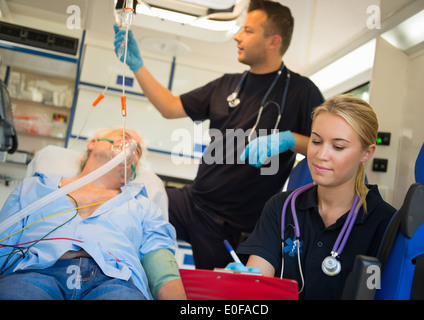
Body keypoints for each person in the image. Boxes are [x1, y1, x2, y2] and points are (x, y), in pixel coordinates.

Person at [114, 0, 324, 269]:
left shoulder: (301, 91)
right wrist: (137, 65)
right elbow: (169, 107)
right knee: (128, 201)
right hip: (192, 202)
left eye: (248, 30)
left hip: (234, 227)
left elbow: (324, 145)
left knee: (218, 295)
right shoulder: (227, 83)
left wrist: (289, 139)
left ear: (273, 42)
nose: (237, 36)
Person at [230, 94, 397, 299]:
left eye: (338, 147)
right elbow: (257, 284)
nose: (321, 154)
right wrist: (245, 285)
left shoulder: (385, 224)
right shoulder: (281, 208)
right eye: (316, 141)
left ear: (367, 153)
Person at [0, 128, 186, 300]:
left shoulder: (143, 206)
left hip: (114, 281)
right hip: (34, 273)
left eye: (138, 151)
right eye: (125, 136)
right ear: (93, 143)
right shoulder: (34, 187)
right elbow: (4, 241)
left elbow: (161, 266)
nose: (132, 146)